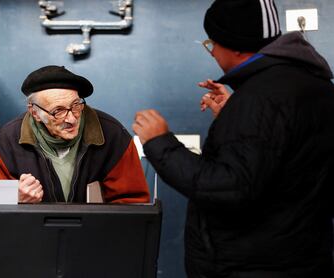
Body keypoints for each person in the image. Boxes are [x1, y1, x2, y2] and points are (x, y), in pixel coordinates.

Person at [133, 0, 334, 277]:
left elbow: (229, 188)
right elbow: (285, 158)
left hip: (253, 267)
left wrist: (160, 143)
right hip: (302, 258)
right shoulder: (312, 85)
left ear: (236, 45)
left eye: (212, 43)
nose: (212, 52)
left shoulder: (260, 98)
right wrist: (233, 115)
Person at [0, 65, 150, 204]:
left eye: (76, 105)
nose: (72, 118)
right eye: (58, 111)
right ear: (35, 113)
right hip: (34, 240)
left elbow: (134, 204)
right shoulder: (9, 140)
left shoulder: (112, 135)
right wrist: (15, 198)